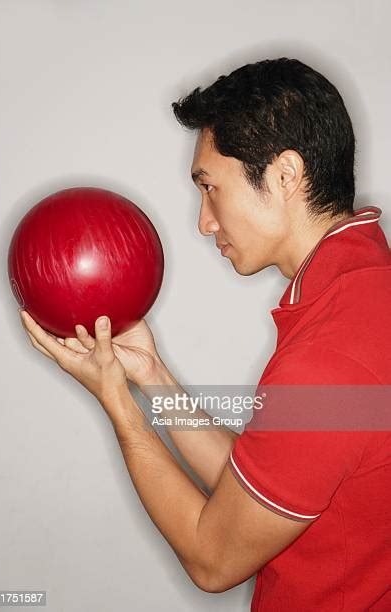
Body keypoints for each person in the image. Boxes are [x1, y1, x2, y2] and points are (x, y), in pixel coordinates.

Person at [20, 57, 391, 611]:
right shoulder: (365, 294)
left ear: (286, 175)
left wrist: (116, 403)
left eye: (211, 187)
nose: (204, 222)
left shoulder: (332, 353)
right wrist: (151, 378)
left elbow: (214, 557)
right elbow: (259, 492)